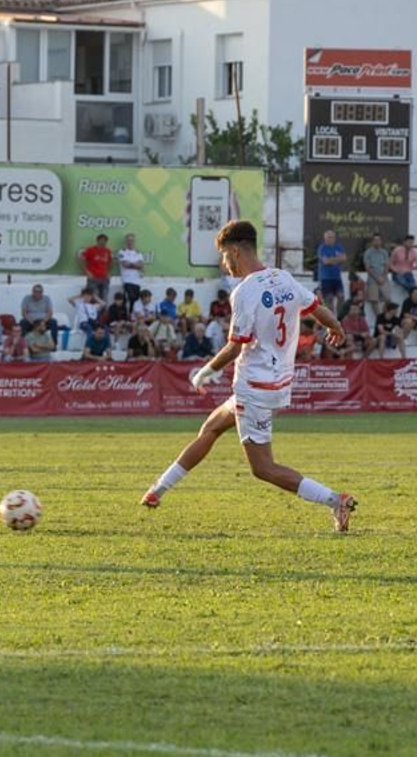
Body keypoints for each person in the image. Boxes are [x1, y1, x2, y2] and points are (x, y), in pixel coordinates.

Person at [140, 219, 356, 532]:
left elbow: (233, 347)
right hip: (274, 382)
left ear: (237, 250)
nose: (223, 263)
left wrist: (203, 373)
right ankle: (157, 490)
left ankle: (336, 500)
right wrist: (336, 327)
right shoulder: (283, 278)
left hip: (254, 385)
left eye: (224, 255)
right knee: (211, 428)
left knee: (263, 468)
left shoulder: (244, 292)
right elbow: (316, 307)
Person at [314, 229, 347, 315]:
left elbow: (344, 258)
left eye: (332, 237)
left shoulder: (338, 246)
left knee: (341, 296)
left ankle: (340, 317)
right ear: (325, 238)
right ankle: (332, 320)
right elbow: (326, 261)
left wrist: (332, 259)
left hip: (337, 277)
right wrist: (337, 259)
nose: (331, 239)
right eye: (329, 237)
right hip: (326, 278)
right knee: (329, 299)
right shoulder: (322, 248)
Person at [389, 234, 417, 302]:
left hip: (408, 274)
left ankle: (414, 295)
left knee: (413, 284)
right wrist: (397, 271)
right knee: (404, 282)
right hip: (397, 274)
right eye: (409, 242)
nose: (411, 244)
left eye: (412, 242)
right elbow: (390, 264)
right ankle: (415, 293)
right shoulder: (397, 250)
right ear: (404, 242)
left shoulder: (414, 253)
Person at [361, 233, 392, 308]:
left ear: (381, 241)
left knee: (388, 299)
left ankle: (384, 317)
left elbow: (387, 266)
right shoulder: (368, 253)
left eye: (378, 240)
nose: (377, 242)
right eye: (375, 240)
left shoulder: (384, 252)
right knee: (374, 300)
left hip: (383, 279)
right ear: (372, 242)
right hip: (372, 279)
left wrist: (383, 277)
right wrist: (376, 278)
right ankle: (378, 318)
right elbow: (367, 268)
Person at [78, 234, 111, 301]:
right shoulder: (91, 250)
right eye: (101, 240)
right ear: (97, 241)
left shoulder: (108, 251)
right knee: (94, 298)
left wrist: (109, 273)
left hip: (104, 278)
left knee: (104, 298)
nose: (103, 242)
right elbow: (81, 260)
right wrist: (87, 272)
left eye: (105, 241)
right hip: (93, 278)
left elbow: (110, 262)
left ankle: (103, 311)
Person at [117, 233, 146, 306]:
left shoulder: (138, 252)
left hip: (136, 281)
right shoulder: (122, 251)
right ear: (126, 241)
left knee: (135, 300)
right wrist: (136, 265)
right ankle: (128, 316)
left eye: (132, 240)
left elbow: (141, 265)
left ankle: (132, 316)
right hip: (127, 280)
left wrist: (131, 264)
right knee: (130, 298)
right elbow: (125, 264)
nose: (130, 242)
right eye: (128, 240)